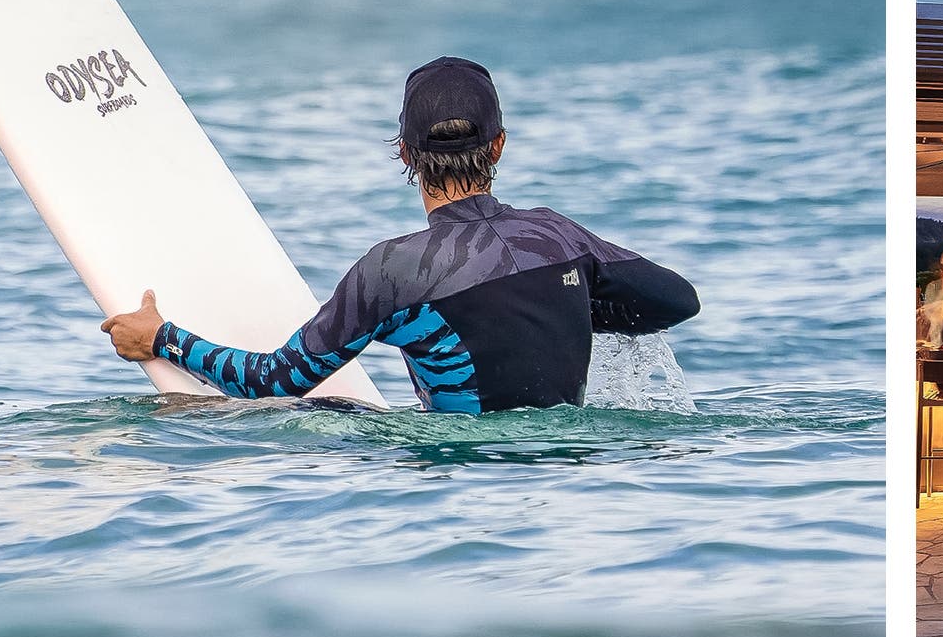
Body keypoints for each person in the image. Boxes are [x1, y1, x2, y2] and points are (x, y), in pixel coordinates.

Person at [99, 56, 699, 412]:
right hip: (566, 478)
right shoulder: (557, 238)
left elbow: (275, 380)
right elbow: (677, 301)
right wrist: (562, 304)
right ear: (498, 145)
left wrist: (164, 339)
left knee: (326, 412)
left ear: (406, 153)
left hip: (455, 485)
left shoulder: (393, 272)